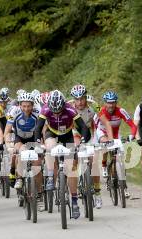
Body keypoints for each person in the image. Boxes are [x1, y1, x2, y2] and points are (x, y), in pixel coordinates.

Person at [34, 90, 91, 219]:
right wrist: (38, 142)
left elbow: (83, 127)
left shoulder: (70, 109)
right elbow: (38, 127)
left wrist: (82, 141)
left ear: (63, 106)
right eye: (54, 111)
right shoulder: (45, 109)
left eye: (59, 111)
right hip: (52, 133)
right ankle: (50, 176)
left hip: (67, 135)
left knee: (71, 169)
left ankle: (75, 202)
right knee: (49, 147)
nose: (56, 113)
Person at [69, 85, 114, 209]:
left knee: (93, 162)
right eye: (77, 99)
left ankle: (97, 193)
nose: (80, 102)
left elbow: (106, 122)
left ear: (85, 97)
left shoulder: (94, 105)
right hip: (74, 133)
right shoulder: (68, 107)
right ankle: (76, 181)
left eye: (82, 98)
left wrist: (110, 139)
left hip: (90, 134)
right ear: (73, 99)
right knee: (74, 157)